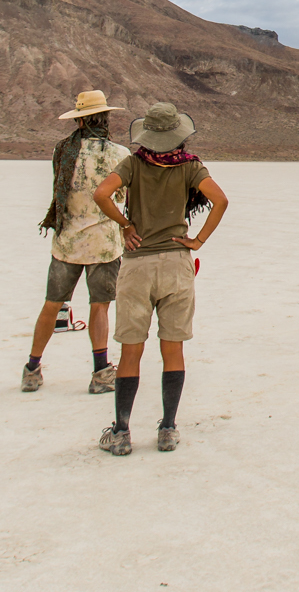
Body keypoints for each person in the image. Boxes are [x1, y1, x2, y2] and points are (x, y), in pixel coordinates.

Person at [91, 102, 228, 454]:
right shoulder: (190, 167)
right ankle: (167, 429)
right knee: (173, 349)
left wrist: (125, 225)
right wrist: (197, 241)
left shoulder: (134, 164)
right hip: (176, 265)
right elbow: (220, 201)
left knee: (131, 350)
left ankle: (121, 432)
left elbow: (101, 194)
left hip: (137, 266)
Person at [26, 90, 130, 394]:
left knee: (51, 304)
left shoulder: (63, 150)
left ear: (80, 120)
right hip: (104, 244)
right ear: (105, 118)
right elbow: (121, 197)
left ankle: (32, 368)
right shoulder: (118, 154)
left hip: (67, 242)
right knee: (99, 307)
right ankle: (100, 373)